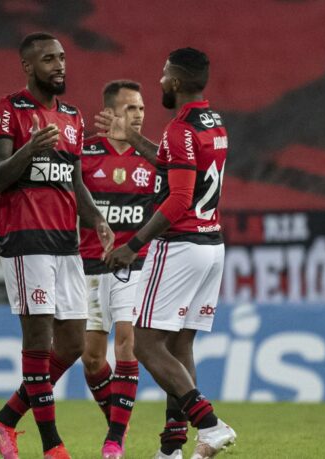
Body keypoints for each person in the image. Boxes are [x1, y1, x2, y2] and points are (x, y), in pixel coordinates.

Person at [0, 32, 114, 459]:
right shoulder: (8, 110)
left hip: (65, 243)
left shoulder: (72, 116)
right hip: (26, 241)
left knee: (73, 343)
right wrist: (29, 150)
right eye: (49, 59)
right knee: (38, 343)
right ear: (28, 66)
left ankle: (3, 420)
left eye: (62, 58)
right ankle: (52, 446)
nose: (59, 66)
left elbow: (74, 182)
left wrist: (96, 219)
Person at [101, 47, 237, 459]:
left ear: (175, 81)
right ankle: (171, 449)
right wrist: (133, 139)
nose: (159, 80)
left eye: (163, 74)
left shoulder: (180, 130)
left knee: (144, 344)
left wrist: (132, 245)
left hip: (180, 246)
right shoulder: (213, 124)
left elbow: (178, 199)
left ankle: (210, 424)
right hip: (212, 246)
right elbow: (172, 165)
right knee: (179, 348)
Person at [79, 80, 155, 459]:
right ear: (109, 113)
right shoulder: (86, 154)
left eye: (140, 108)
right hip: (90, 265)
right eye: (129, 108)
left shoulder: (153, 158)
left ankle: (113, 442)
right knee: (92, 359)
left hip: (134, 265)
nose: (138, 115)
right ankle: (118, 422)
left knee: (127, 339)